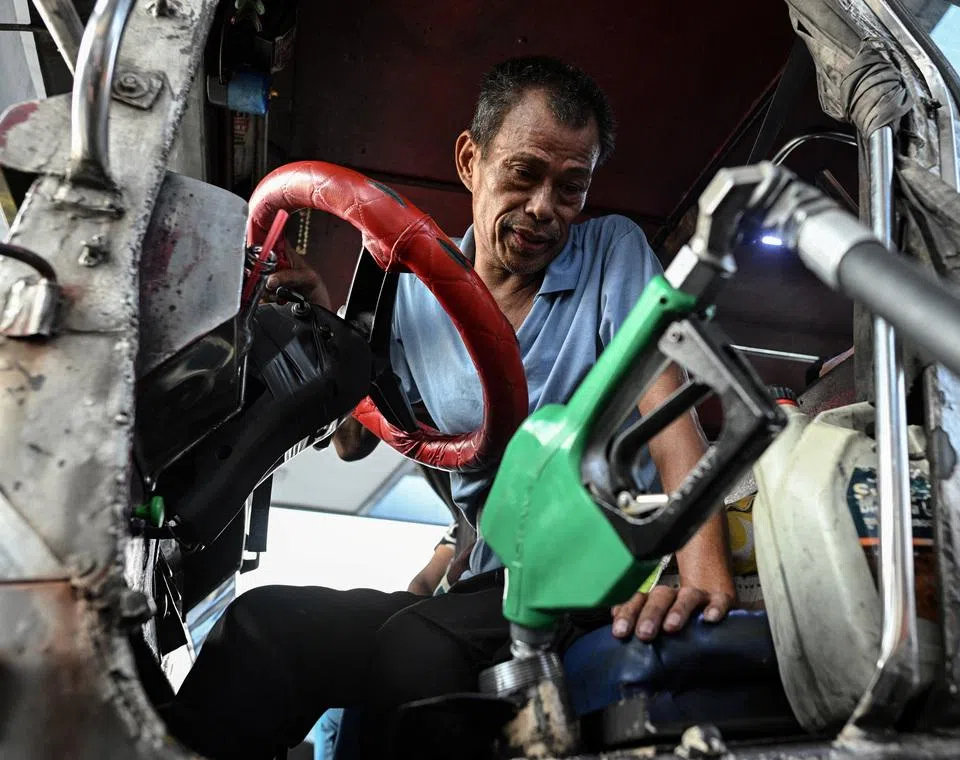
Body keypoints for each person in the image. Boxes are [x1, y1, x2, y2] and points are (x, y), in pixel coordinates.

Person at [164, 55, 736, 759]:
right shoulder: (406, 297)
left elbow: (667, 409)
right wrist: (330, 343)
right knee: (265, 627)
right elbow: (352, 442)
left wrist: (704, 584)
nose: (544, 209)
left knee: (416, 648)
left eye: (570, 187)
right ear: (470, 159)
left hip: (596, 569)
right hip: (490, 585)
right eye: (523, 174)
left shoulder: (611, 254)